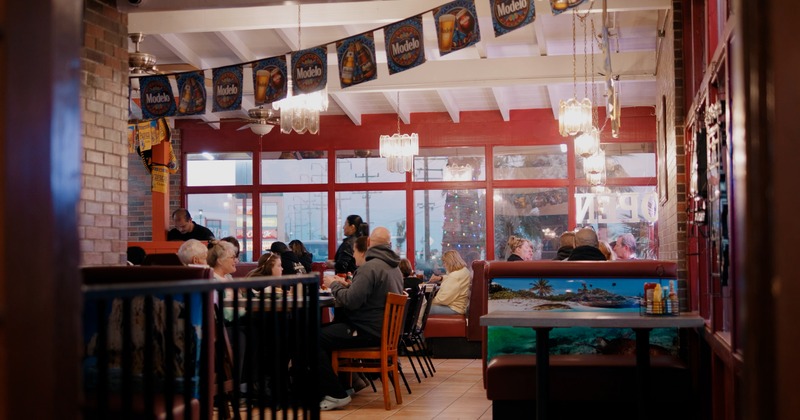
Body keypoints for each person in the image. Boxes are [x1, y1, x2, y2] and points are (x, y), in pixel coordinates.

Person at [317, 226, 404, 411]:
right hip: (382, 332)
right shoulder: (394, 268)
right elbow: (368, 296)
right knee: (326, 333)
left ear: (369, 242)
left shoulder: (369, 267)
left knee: (313, 338)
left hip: (366, 331)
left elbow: (351, 301)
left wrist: (333, 285)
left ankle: (336, 394)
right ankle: (345, 387)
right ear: (389, 244)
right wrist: (348, 285)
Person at [428, 250, 471, 315]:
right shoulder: (464, 270)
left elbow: (443, 299)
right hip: (461, 306)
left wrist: (428, 302)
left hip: (453, 308)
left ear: (450, 262)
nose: (444, 265)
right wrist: (440, 278)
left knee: (420, 309)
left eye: (445, 262)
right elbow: (452, 279)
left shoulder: (454, 276)